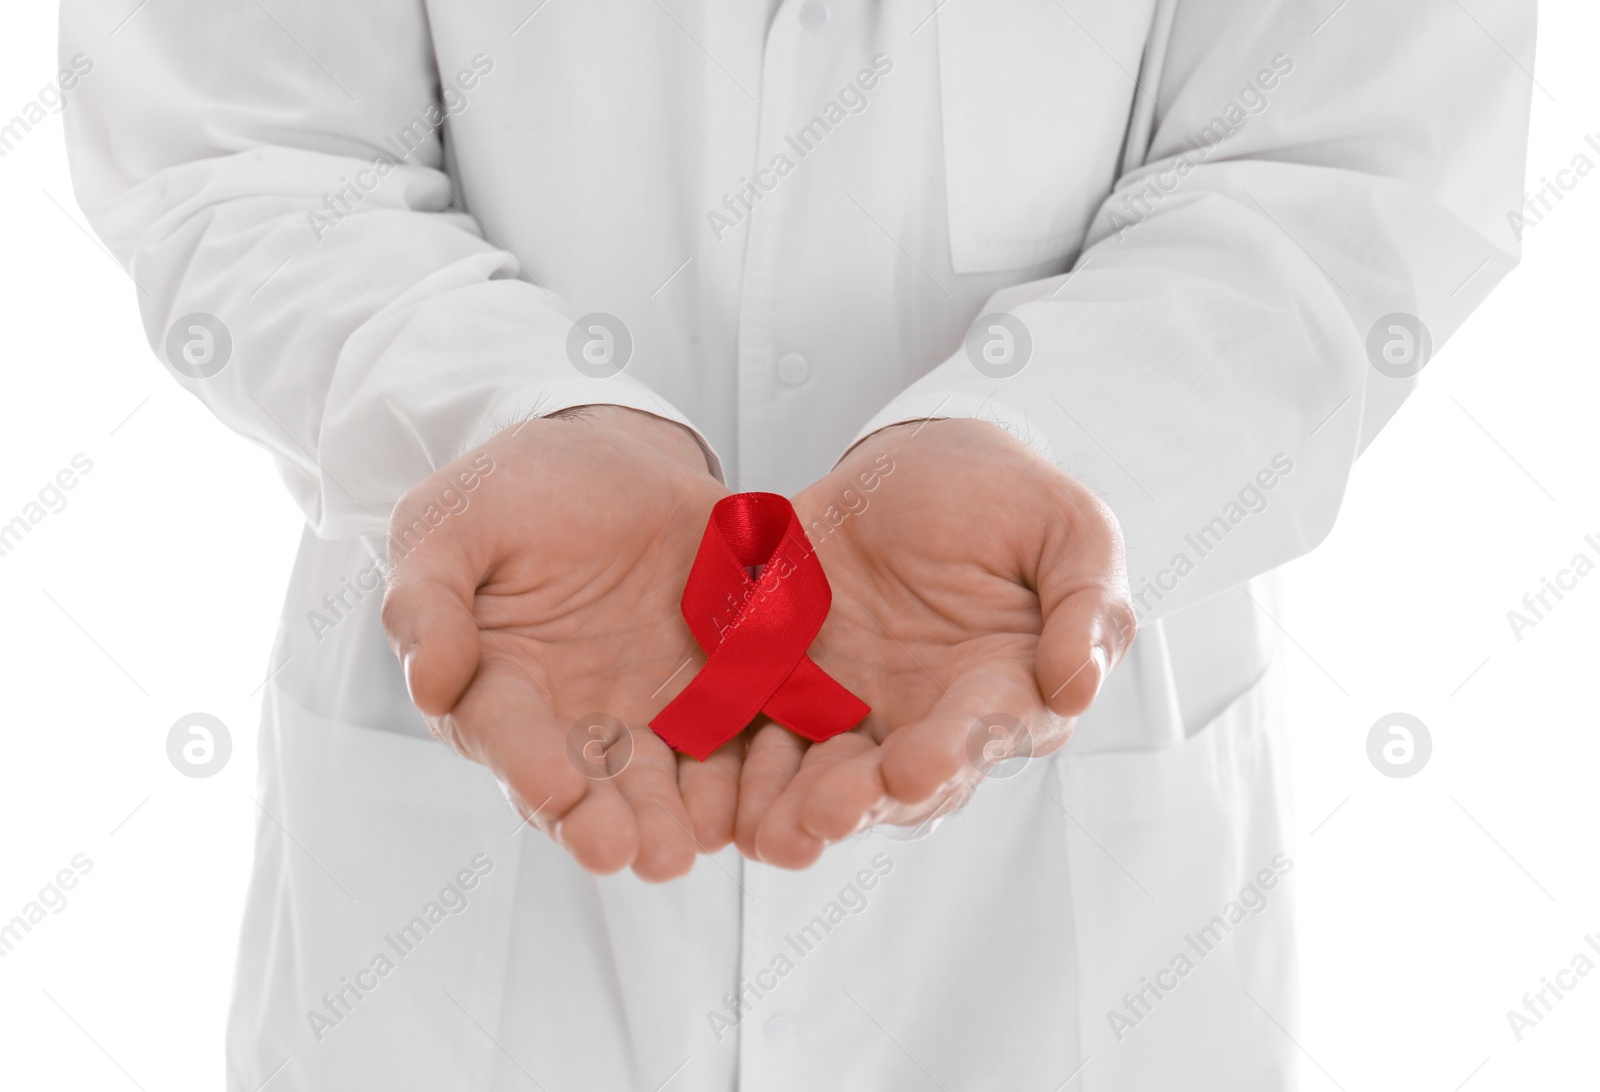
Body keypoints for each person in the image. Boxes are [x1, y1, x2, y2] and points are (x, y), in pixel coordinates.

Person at [62, 1, 1532, 1088]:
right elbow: (241, 138)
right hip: (470, 852)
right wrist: (504, 411)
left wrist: (1050, 440)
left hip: (1064, 892)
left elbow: (1347, 164)